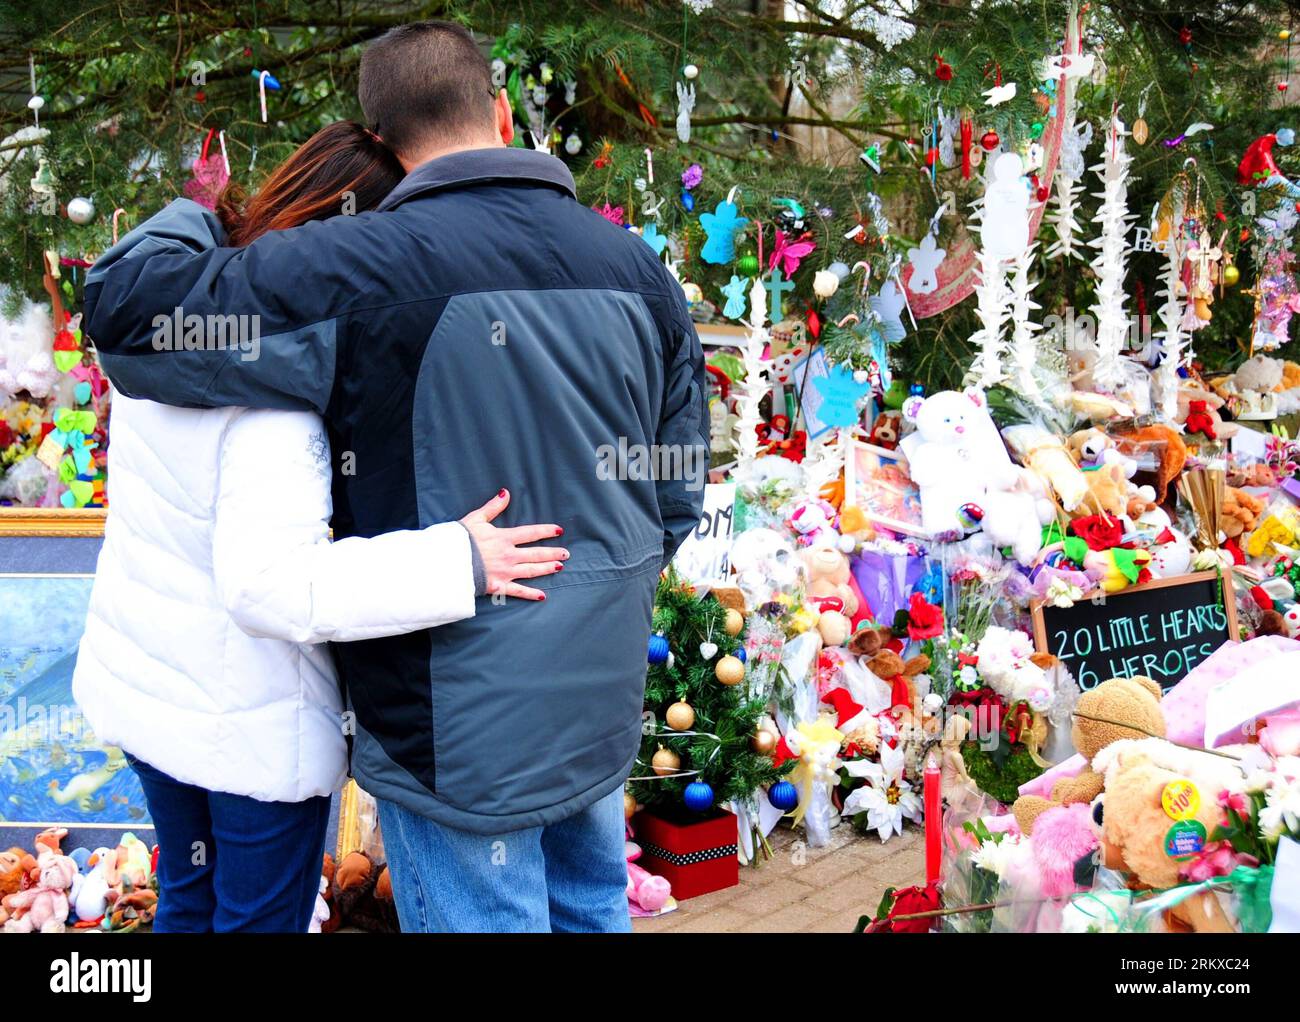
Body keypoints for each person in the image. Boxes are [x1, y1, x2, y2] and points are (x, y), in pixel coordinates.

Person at [83, 20, 707, 933]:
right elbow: (677, 484)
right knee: (588, 910)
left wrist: (198, 220)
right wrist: (596, 592)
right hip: (593, 701)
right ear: (499, 110)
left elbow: (133, 320)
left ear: (378, 140)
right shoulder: (637, 268)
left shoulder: (355, 266)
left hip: (449, 730)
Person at [73, 120, 569, 933]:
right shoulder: (277, 396)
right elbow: (271, 586)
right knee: (254, 921)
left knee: (190, 900)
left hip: (151, 688)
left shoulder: (169, 318)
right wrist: (457, 560)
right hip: (250, 728)